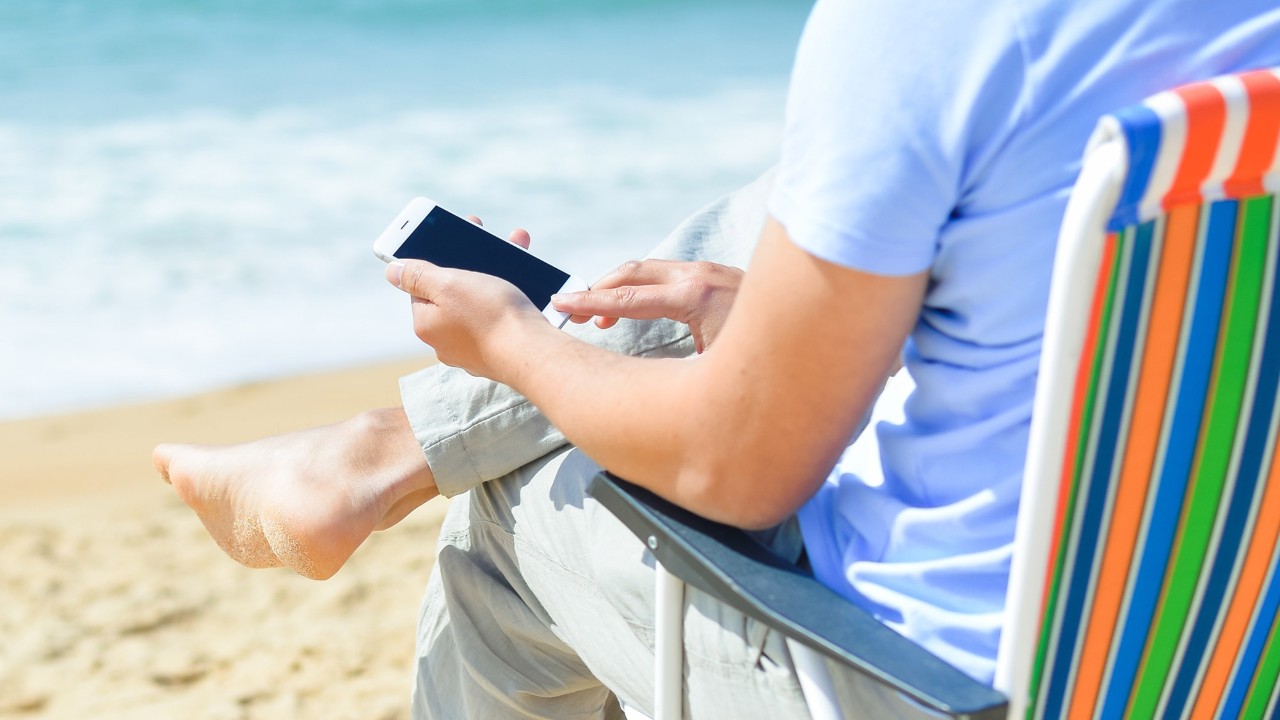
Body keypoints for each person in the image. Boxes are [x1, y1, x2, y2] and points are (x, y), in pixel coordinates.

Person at [155, 0, 1280, 717]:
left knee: (517, 512)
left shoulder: (940, 28)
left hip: (928, 689)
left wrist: (512, 345)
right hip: (1228, 657)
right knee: (771, 224)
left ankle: (388, 453)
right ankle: (384, 449)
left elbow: (737, 472)